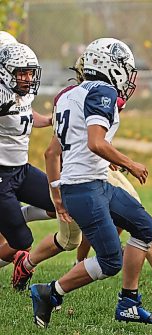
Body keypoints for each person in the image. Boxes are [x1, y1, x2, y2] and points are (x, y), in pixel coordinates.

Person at [13, 56, 152, 296]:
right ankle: (40, 275)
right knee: (75, 239)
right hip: (81, 179)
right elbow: (73, 148)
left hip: (91, 175)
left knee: (132, 220)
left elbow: (74, 146)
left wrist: (109, 159)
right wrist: (58, 195)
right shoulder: (96, 96)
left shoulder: (73, 97)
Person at [29, 38, 152, 328]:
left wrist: (57, 191)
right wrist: (130, 163)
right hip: (85, 188)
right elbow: (95, 142)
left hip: (94, 184)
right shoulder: (102, 91)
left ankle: (129, 303)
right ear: (110, 65)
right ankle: (49, 292)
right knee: (110, 261)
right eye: (124, 68)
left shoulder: (69, 94)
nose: (128, 75)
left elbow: (58, 149)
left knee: (146, 228)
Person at [0, 42, 53, 270]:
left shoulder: (21, 95)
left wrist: (51, 120)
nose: (28, 78)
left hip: (21, 169)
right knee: (22, 242)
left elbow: (27, 116)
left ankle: (19, 214)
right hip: (1, 177)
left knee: (62, 202)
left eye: (30, 72)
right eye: (22, 72)